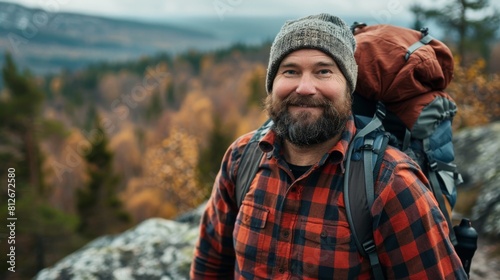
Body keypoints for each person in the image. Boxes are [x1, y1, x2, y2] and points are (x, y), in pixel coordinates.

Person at [190, 13, 467, 279]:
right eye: (290, 71)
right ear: (272, 84)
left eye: (323, 71)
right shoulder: (242, 157)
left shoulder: (391, 183)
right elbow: (210, 265)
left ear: (349, 88)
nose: (305, 87)